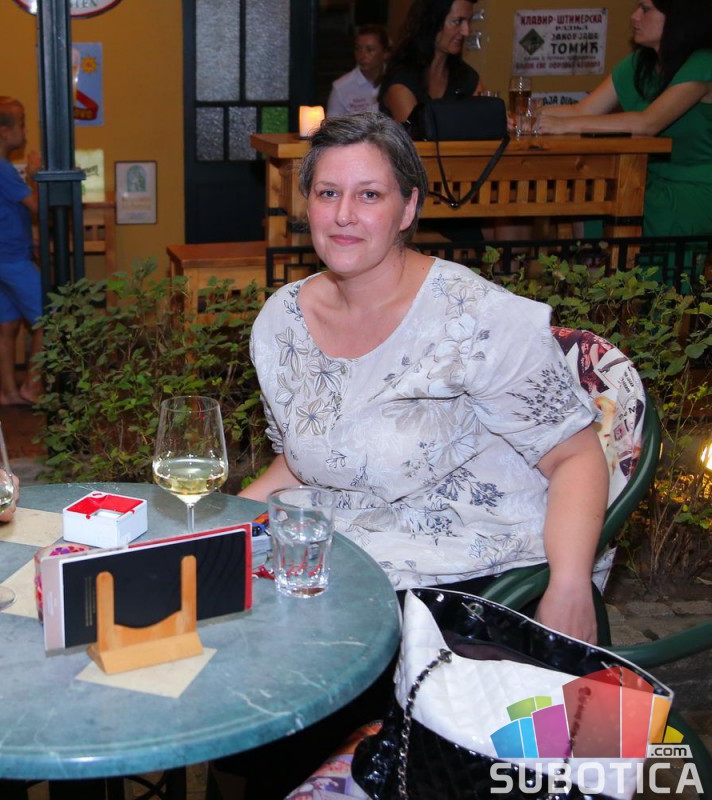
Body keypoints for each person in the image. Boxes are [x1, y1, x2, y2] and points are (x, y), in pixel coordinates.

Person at [243, 112, 608, 644]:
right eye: (328, 193)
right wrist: (216, 530)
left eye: (369, 195)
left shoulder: (474, 317)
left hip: (479, 575)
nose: (343, 214)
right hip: (349, 565)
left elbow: (575, 456)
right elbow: (298, 465)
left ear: (408, 207)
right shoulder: (283, 321)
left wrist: (570, 585)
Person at [535, 0, 712, 237]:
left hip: (694, 188)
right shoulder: (641, 63)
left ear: (679, 17)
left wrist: (564, 125)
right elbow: (582, 110)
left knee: (599, 198)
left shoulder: (703, 62)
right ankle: (593, 261)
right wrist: (524, 117)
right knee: (586, 195)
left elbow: (647, 123)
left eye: (645, 9)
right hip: (643, 179)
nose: (634, 16)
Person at [0, 96, 44, 406]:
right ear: (4, 133)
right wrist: (34, 174)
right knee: (49, 318)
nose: (25, 131)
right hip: (11, 259)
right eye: (22, 125)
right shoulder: (0, 168)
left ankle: (8, 391)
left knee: (8, 325)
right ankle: (33, 387)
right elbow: (36, 207)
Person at [380, 0, 484, 123]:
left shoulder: (466, 77)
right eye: (457, 22)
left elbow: (486, 120)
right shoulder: (403, 81)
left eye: (469, 21)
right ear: (431, 22)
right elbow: (418, 133)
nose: (466, 31)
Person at [326, 24, 390, 117]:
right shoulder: (341, 87)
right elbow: (332, 124)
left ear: (385, 53)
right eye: (358, 49)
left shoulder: (396, 81)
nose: (362, 55)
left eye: (370, 50)